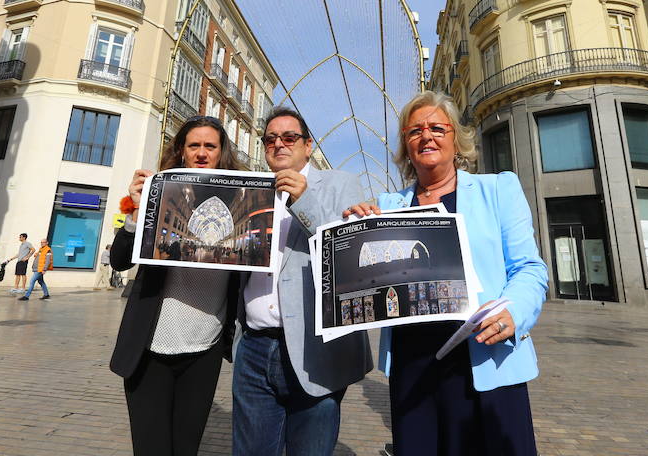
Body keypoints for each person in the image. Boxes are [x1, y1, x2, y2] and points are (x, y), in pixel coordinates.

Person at [345, 91, 548, 456]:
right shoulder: (389, 205)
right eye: (415, 131)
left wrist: (513, 312)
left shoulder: (497, 189)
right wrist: (356, 229)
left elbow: (529, 268)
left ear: (456, 138)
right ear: (406, 145)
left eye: (437, 128)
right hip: (414, 367)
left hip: (487, 359)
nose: (426, 136)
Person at [232, 107, 373, 456]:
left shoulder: (341, 184)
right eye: (270, 140)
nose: (279, 144)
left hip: (316, 351)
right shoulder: (252, 192)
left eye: (289, 137)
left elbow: (351, 255)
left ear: (308, 146)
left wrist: (304, 200)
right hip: (254, 347)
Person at [109, 115, 241, 456]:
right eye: (194, 145)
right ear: (182, 150)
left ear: (221, 152)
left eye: (210, 146)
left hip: (204, 348)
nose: (201, 153)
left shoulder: (242, 199)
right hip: (149, 349)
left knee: (186, 448)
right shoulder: (160, 192)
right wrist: (135, 213)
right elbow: (120, 261)